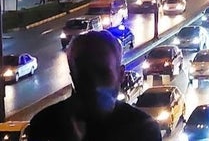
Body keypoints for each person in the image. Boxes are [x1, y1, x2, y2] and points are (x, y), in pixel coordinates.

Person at [28, 31, 162, 141]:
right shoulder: (44, 127)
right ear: (73, 76)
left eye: (103, 74)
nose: (94, 85)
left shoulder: (144, 131)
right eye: (85, 76)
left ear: (120, 74)